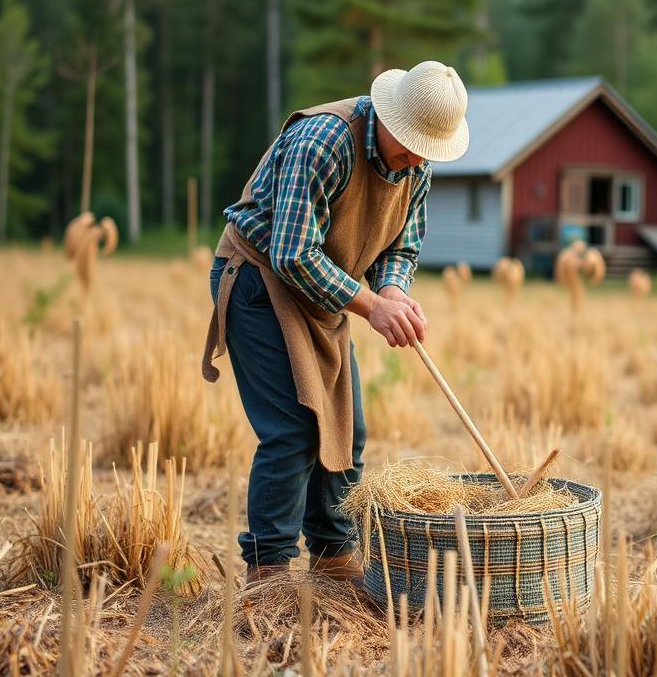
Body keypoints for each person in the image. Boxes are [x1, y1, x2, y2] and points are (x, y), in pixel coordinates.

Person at [201, 60, 469, 584]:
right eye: (411, 142)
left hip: (327, 291)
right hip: (261, 279)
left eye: (425, 150)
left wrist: (392, 288)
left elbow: (402, 244)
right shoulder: (323, 141)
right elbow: (294, 254)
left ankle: (332, 552)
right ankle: (270, 568)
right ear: (388, 116)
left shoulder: (417, 162)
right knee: (294, 429)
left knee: (348, 426)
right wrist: (372, 307)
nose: (416, 157)